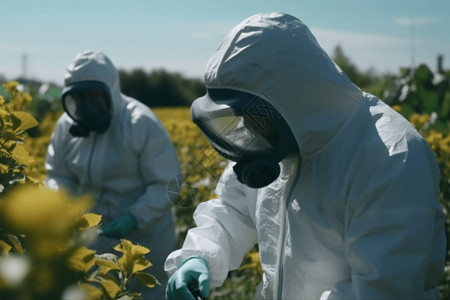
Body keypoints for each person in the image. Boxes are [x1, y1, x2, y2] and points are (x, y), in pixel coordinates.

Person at [164, 12, 447, 300]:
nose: (247, 128)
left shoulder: (390, 155)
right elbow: (234, 209)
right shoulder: (272, 139)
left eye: (254, 116)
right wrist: (199, 256)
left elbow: (382, 290)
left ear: (292, 98)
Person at [45, 50, 181, 299]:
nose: (86, 107)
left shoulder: (139, 122)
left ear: (111, 91)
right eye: (78, 99)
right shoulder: (65, 127)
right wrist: (63, 207)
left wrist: (135, 217)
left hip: (145, 241)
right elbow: (57, 174)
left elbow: (168, 184)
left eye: (94, 97)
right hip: (93, 239)